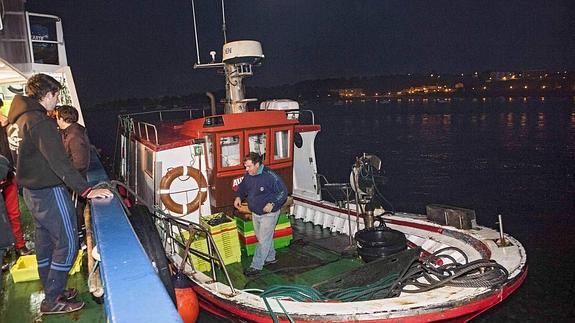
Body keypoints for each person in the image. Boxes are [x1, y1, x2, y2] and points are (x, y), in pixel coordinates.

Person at [7, 73, 113, 315]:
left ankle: (52, 291)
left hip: (30, 192)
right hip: (48, 191)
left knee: (45, 245)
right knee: (67, 244)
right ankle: (53, 300)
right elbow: (60, 163)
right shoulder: (40, 122)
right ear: (47, 95)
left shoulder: (17, 121)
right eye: (56, 95)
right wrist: (87, 190)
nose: (56, 102)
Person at [233, 152, 288, 277]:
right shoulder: (249, 174)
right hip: (256, 213)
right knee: (263, 238)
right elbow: (242, 187)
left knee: (263, 240)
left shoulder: (270, 176)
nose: (246, 169)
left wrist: (273, 203)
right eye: (245, 166)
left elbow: (283, 191)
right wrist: (238, 197)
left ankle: (256, 266)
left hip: (269, 214)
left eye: (249, 166)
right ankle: (270, 258)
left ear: (257, 164)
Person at [0, 98, 32, 258]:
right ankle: (3, 249)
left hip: (8, 178)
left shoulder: (7, 127)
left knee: (14, 213)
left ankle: (19, 245)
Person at [55, 105, 90, 245]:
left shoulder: (74, 136)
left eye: (56, 116)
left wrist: (66, 174)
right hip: (73, 180)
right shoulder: (71, 132)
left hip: (75, 181)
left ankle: (79, 240)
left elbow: (80, 163)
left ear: (62, 118)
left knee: (75, 211)